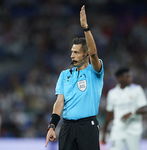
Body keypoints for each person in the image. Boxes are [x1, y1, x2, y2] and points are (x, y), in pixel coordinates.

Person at [45, 5, 104, 150]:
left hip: (87, 126)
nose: (72, 55)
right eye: (72, 52)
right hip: (67, 127)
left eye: (76, 52)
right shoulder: (64, 75)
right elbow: (59, 102)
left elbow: (95, 54)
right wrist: (52, 126)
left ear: (86, 54)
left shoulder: (94, 71)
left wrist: (85, 28)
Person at [102, 67, 147, 150]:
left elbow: (144, 108)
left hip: (133, 130)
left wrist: (132, 112)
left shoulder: (137, 89)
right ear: (120, 78)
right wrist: (104, 133)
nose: (130, 78)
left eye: (130, 76)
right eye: (127, 76)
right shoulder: (112, 93)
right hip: (118, 129)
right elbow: (108, 115)